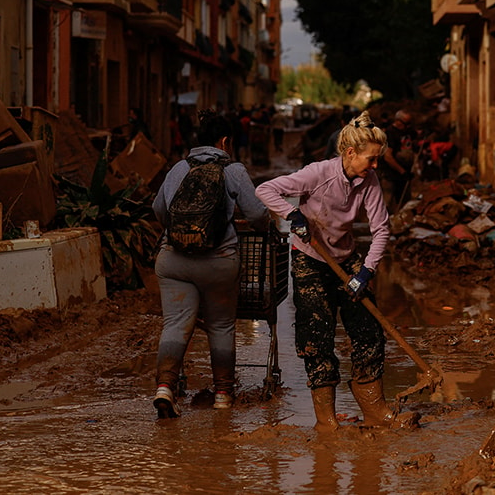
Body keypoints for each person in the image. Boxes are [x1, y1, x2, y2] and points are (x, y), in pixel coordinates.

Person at [255, 111, 396, 431]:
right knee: (317, 337)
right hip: (309, 260)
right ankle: (327, 421)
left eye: (377, 160)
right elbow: (266, 190)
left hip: (346, 260)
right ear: (350, 153)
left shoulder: (369, 181)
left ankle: (375, 411)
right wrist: (294, 215)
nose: (375, 166)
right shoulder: (317, 174)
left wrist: (367, 272)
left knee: (368, 329)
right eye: (371, 159)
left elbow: (381, 229)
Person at [150, 110, 269, 418]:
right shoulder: (234, 170)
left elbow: (160, 211)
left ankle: (165, 387)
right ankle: (223, 395)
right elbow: (257, 214)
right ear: (225, 141)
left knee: (175, 324)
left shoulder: (178, 168)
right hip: (218, 263)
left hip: (174, 260)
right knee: (220, 325)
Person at [381, 110, 415, 209]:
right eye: (406, 123)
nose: (408, 126)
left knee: (405, 204)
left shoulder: (406, 132)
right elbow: (388, 157)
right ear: (398, 121)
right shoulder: (390, 133)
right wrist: (402, 171)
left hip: (404, 176)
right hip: (391, 175)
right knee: (387, 203)